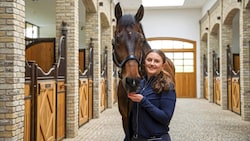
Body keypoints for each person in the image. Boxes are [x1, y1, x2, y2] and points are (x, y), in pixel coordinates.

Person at [127, 49, 176, 141]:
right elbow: (133, 115)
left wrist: (143, 101)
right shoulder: (140, 84)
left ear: (163, 65)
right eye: (149, 60)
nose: (152, 64)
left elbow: (165, 118)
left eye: (156, 61)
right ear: (144, 62)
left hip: (156, 139)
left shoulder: (167, 86)